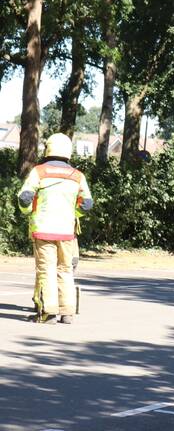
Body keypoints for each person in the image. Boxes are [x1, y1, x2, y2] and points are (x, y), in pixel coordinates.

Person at [18, 134, 92, 324]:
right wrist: (72, 214)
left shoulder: (39, 172)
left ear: (48, 149)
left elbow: (25, 197)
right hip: (67, 232)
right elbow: (87, 204)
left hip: (43, 230)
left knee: (46, 269)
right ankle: (67, 313)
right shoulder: (77, 175)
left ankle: (48, 313)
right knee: (65, 269)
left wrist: (27, 211)